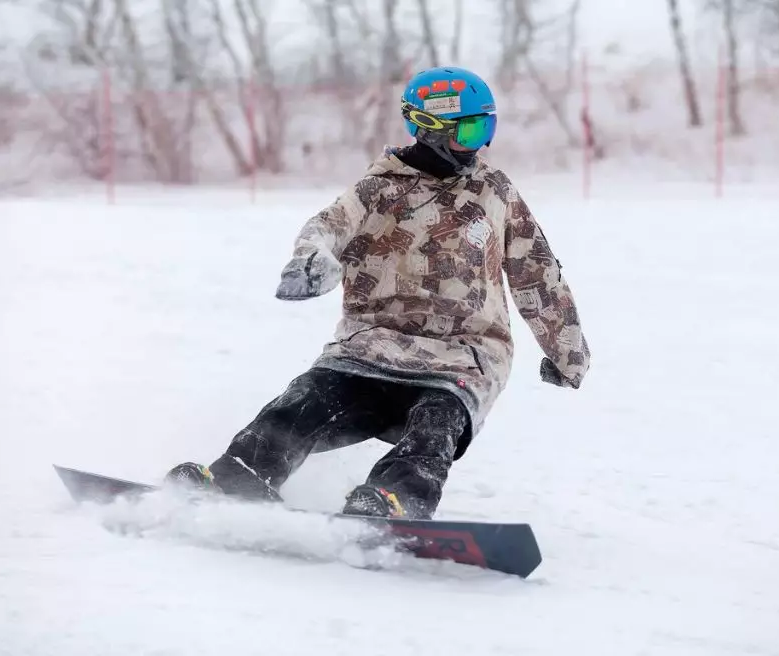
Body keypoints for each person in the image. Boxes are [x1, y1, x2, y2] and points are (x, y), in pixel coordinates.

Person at [166, 66, 590, 520]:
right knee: (304, 401)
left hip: (461, 355)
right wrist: (312, 259)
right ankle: (241, 474)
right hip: (368, 347)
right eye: (469, 131)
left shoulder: (495, 192)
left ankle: (395, 499)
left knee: (436, 423)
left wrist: (568, 354)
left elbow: (537, 272)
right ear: (430, 129)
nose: (479, 145)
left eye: (485, 129)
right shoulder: (377, 190)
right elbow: (327, 227)